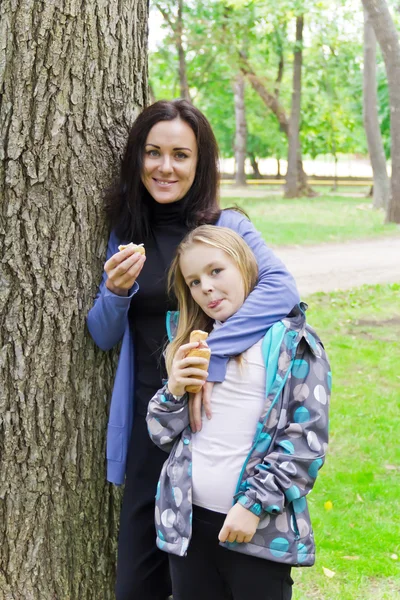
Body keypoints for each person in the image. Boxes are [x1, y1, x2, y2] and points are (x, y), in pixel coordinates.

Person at [87, 99, 300, 600]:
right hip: (151, 426)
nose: (165, 166)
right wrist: (115, 294)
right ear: (137, 158)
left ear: (200, 162)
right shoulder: (126, 232)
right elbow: (102, 335)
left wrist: (208, 358)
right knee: (137, 583)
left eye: (181, 155)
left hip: (211, 430)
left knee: (209, 578)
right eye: (153, 152)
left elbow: (281, 289)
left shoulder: (228, 226)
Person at [147, 225, 331, 600]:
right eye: (194, 281)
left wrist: (252, 506)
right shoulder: (192, 343)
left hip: (257, 530)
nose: (207, 288)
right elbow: (162, 433)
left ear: (246, 266)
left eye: (216, 271)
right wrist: (175, 389)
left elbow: (305, 441)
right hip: (189, 523)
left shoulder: (291, 344)